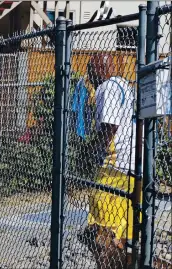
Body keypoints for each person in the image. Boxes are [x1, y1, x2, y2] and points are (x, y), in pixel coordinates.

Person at [82, 54, 138, 269]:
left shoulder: (107, 87)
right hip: (130, 166)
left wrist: (90, 152)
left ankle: (107, 264)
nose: (89, 76)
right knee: (123, 229)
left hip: (112, 167)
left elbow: (109, 127)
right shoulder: (124, 84)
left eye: (90, 69)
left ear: (98, 70)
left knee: (103, 231)